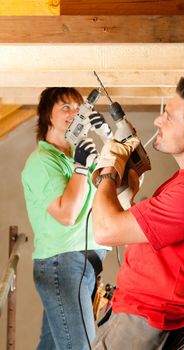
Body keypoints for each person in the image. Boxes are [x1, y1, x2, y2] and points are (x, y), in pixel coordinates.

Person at [91, 76, 184, 350]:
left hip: (144, 323)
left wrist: (108, 167)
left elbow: (105, 231)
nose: (158, 121)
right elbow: (153, 232)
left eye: (168, 117)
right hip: (146, 317)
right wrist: (126, 192)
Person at [21, 87, 112, 350]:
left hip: (83, 267)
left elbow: (125, 185)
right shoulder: (42, 161)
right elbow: (67, 214)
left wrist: (109, 138)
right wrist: (81, 169)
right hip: (63, 266)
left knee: (52, 347)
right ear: (47, 115)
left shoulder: (78, 158)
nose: (74, 113)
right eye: (65, 107)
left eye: (78, 108)